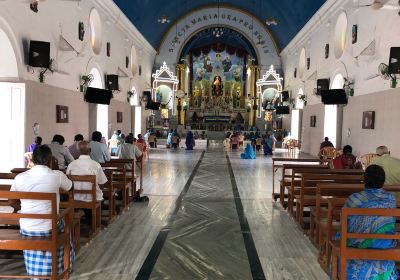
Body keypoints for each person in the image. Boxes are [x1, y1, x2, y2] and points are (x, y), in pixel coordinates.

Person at [10, 145, 74, 277]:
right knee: (62, 224)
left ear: (32, 159)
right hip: (49, 227)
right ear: (50, 160)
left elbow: (11, 201)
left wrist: (25, 210)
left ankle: (36, 271)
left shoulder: (20, 177)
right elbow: (70, 187)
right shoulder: (57, 175)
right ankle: (60, 267)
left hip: (27, 227)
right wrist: (56, 169)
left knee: (54, 222)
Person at [334, 165, 398, 280]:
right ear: (383, 181)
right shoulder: (391, 199)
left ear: (364, 179)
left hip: (358, 246)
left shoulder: (354, 199)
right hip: (384, 245)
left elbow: (344, 225)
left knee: (338, 237)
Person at [116, 135, 146, 201]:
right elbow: (141, 155)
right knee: (132, 175)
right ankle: (132, 194)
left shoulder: (120, 146)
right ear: (132, 141)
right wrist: (136, 158)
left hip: (119, 172)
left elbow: (115, 153)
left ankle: (120, 192)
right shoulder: (133, 147)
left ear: (125, 140)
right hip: (130, 173)